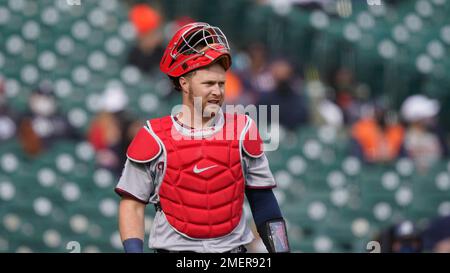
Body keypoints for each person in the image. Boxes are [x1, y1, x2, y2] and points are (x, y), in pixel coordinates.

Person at [115, 22, 290, 253]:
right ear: (184, 83)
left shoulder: (243, 129)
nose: (217, 91)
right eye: (208, 83)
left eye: (221, 83)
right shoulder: (153, 136)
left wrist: (282, 250)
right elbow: (132, 205)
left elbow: (264, 201)